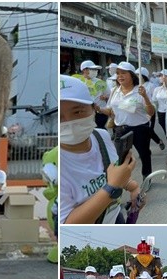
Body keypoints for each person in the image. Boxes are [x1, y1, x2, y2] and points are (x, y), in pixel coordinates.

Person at [59, 75, 141, 224]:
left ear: (94, 108)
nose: (69, 122)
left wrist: (133, 187)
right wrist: (111, 188)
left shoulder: (100, 136)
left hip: (114, 217)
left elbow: (112, 174)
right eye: (59, 117)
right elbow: (68, 224)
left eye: (77, 112)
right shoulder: (57, 163)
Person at [98, 62, 156, 180]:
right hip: (120, 129)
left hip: (140, 129)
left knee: (144, 155)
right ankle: (121, 181)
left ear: (132, 75)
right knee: (120, 158)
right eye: (118, 73)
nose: (120, 76)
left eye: (123, 73)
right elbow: (110, 111)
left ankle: (147, 176)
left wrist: (145, 97)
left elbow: (151, 112)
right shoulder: (115, 91)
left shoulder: (140, 91)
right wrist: (98, 109)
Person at [72, 60, 110, 128]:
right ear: (84, 70)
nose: (95, 71)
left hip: (100, 113)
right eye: (92, 69)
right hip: (85, 114)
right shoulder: (78, 82)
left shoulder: (100, 82)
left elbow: (109, 95)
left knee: (99, 131)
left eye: (95, 69)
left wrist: (105, 97)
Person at [141, 67, 166, 153]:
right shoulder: (136, 86)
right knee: (143, 130)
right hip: (140, 111)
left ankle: (153, 145)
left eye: (138, 75)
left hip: (150, 110)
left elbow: (154, 99)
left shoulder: (150, 86)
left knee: (149, 129)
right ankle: (149, 147)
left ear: (143, 76)